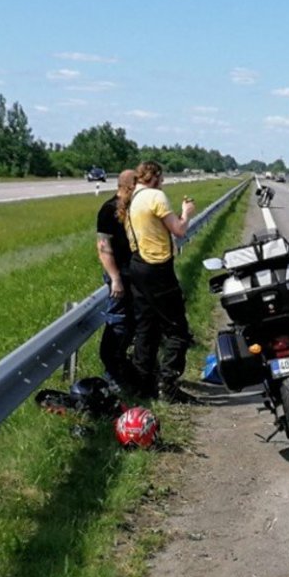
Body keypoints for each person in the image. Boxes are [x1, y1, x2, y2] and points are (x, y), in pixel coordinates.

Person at [124, 160, 195, 400]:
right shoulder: (155, 196)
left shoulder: (132, 199)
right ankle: (168, 385)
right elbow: (179, 230)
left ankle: (142, 385)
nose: (163, 182)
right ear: (154, 177)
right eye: (161, 178)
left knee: (146, 328)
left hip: (137, 266)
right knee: (177, 329)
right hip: (157, 267)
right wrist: (186, 213)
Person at [97, 169, 149, 395]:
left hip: (136, 276)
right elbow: (103, 248)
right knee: (118, 324)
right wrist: (115, 278)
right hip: (120, 276)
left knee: (134, 325)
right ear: (130, 186)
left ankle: (126, 371)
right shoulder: (108, 210)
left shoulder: (134, 208)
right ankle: (111, 375)